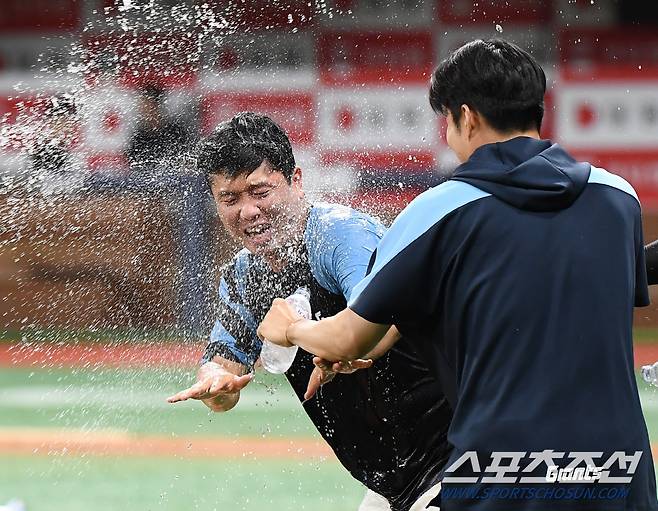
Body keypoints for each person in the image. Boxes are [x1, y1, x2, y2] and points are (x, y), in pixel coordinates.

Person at [258, 40, 658, 511]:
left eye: (445, 119)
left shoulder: (440, 210)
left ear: (465, 117)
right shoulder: (617, 198)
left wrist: (291, 327)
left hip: (504, 477)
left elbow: (348, 338)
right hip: (618, 475)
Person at [166, 112, 452, 511]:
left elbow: (388, 321)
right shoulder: (244, 278)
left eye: (259, 192)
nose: (247, 211)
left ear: (296, 181)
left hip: (454, 459)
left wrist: (331, 344)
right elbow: (222, 369)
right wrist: (216, 385)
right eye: (229, 199)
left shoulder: (339, 235)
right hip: (393, 483)